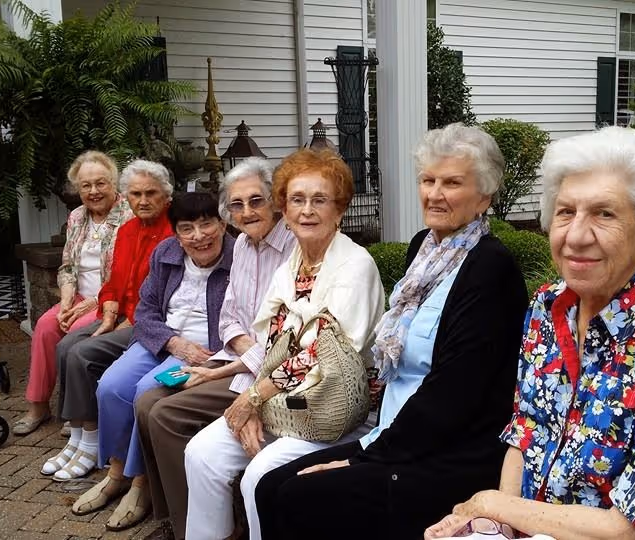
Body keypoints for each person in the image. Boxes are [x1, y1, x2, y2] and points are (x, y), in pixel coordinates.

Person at [425, 127, 635, 540]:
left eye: (604, 214)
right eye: (566, 212)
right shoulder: (547, 307)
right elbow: (527, 431)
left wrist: (496, 506)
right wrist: (497, 527)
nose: (575, 236)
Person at [254, 123, 530, 540]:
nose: (435, 193)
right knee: (268, 486)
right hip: (395, 430)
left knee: (297, 495)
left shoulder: (490, 268)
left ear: (484, 197)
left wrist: (363, 456)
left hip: (446, 452)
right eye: (428, 180)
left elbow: (452, 397)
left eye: (452, 182)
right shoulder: (425, 247)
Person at [183, 149, 385, 540]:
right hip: (280, 403)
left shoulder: (354, 266)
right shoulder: (292, 262)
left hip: (330, 412)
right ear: (285, 212)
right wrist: (256, 405)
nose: (307, 210)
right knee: (201, 453)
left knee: (260, 476)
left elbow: (319, 355)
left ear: (339, 210)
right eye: (297, 200)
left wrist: (254, 399)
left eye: (319, 200)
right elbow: (271, 342)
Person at [134, 158, 296, 540]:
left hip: (266, 373)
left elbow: (284, 338)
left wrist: (228, 366)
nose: (247, 211)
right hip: (239, 360)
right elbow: (228, 317)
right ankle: (176, 517)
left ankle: (215, 527)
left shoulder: (293, 247)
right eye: (237, 204)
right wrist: (240, 348)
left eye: (256, 201)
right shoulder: (241, 245)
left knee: (165, 414)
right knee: (145, 404)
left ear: (275, 201)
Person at [69, 192, 235, 531]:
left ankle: (141, 484)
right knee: (111, 387)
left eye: (207, 224)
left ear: (222, 224)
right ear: (176, 233)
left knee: (148, 391)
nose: (199, 236)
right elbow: (144, 312)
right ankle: (116, 474)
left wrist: (202, 352)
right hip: (163, 340)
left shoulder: (239, 258)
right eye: (187, 228)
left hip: (208, 348)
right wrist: (173, 342)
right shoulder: (166, 253)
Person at [41, 159, 174, 481]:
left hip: (146, 323)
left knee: (82, 353)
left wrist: (128, 318)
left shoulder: (171, 234)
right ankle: (76, 435)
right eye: (136, 194)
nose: (143, 201)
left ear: (166, 196)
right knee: (66, 345)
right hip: (118, 316)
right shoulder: (128, 230)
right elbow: (113, 280)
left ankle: (90, 439)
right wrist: (111, 308)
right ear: (126, 196)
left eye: (150, 193)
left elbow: (159, 294)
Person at [12, 151, 132, 435]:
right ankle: (38, 405)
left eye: (100, 183)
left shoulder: (129, 215)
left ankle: (76, 412)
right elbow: (67, 265)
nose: (93, 191)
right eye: (85, 185)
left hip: (112, 302)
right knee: (44, 326)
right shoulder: (77, 217)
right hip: (78, 298)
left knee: (75, 330)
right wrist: (66, 300)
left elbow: (126, 276)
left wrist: (91, 303)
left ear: (114, 183)